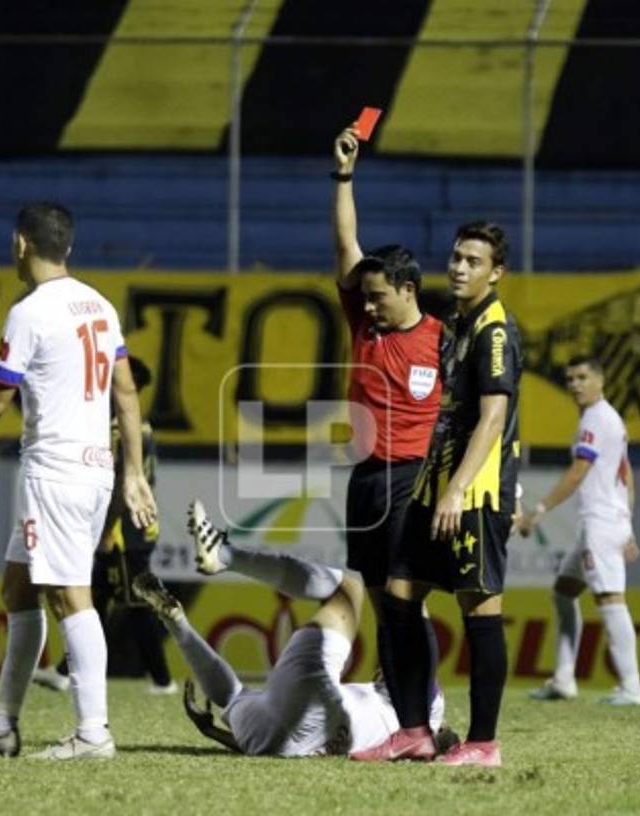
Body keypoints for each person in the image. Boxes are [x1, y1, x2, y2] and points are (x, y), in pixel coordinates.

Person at [0, 202, 157, 761]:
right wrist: (131, 472)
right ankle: (3, 726)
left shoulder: (29, 312)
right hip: (92, 470)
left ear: (20, 244)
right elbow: (125, 391)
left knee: (69, 595)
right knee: (18, 587)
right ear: (68, 247)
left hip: (54, 472)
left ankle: (94, 732)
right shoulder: (100, 306)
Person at [353, 221, 522, 767]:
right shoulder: (456, 324)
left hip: (470, 491)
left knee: (480, 608)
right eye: (456, 257)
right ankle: (414, 730)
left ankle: (484, 742)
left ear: (496, 273)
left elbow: (495, 417)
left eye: (473, 261)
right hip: (436, 481)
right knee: (399, 595)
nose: (459, 268)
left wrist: (457, 491)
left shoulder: (495, 331)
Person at [127, 500, 450, 758]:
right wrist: (213, 732)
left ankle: (226, 555)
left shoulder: (423, 712)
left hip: (318, 708)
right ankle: (175, 620)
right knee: (233, 696)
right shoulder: (399, 725)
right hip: (273, 742)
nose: (384, 665)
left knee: (349, 590)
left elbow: (409, 629)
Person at [331, 124, 443, 694]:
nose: (367, 304)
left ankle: (424, 697)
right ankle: (394, 688)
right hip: (366, 476)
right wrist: (345, 175)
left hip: (413, 479)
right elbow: (347, 246)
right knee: (378, 595)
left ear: (408, 290)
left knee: (405, 596)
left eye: (378, 295)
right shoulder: (364, 327)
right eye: (364, 295)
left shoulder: (443, 341)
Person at [33, 356, 175, 696]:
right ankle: (66, 671)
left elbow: (118, 486)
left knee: (136, 606)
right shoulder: (141, 428)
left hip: (125, 534)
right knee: (94, 600)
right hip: (134, 531)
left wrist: (107, 532)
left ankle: (162, 679)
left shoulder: (119, 430)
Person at [517, 355, 640, 705]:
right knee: (564, 592)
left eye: (582, 377)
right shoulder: (610, 419)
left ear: (601, 380)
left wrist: (538, 512)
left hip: (600, 524)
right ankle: (563, 679)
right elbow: (627, 473)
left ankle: (632, 687)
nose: (574, 384)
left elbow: (578, 472)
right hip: (610, 522)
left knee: (610, 598)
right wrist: (628, 525)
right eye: (570, 378)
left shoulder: (596, 419)